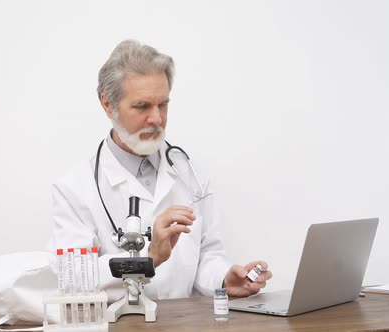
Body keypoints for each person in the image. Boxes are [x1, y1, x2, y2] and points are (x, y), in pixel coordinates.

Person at [51, 39, 272, 301]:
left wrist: (224, 278)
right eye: (142, 106)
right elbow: (73, 278)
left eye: (163, 104)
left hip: (182, 323)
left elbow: (207, 256)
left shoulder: (190, 174)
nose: (156, 118)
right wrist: (148, 259)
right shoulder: (74, 189)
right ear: (107, 103)